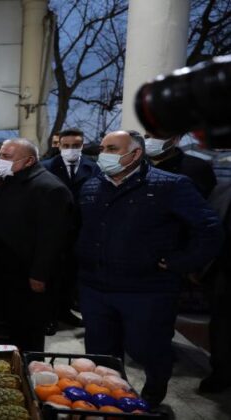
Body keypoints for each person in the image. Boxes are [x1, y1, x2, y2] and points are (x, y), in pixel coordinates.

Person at [77, 130, 223, 407]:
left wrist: (182, 262)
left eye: (112, 149)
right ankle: (108, 401)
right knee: (100, 354)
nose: (103, 155)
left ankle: (152, 399)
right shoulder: (92, 185)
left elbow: (209, 228)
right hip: (95, 287)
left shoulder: (170, 185)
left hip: (147, 290)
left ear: (135, 154)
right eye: (103, 149)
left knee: (148, 350)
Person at [0, 139, 73, 350]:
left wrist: (39, 274)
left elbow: (52, 238)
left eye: (7, 157)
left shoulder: (50, 189)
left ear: (29, 161)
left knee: (24, 332)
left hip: (24, 274)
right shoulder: (4, 181)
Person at [42, 128, 101, 331]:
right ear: (58, 146)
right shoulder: (46, 167)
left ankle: (64, 311)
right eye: (66, 146)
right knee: (51, 275)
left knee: (71, 276)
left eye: (76, 146)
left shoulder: (93, 168)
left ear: (82, 145)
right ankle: (48, 315)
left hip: (81, 231)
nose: (71, 149)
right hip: (53, 230)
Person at [199, 181, 231, 393]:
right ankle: (222, 372)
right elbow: (206, 228)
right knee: (223, 326)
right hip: (224, 274)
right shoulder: (223, 189)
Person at [144, 133, 217, 198]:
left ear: (174, 139)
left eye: (157, 137)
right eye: (147, 137)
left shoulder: (197, 168)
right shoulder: (140, 167)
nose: (150, 141)